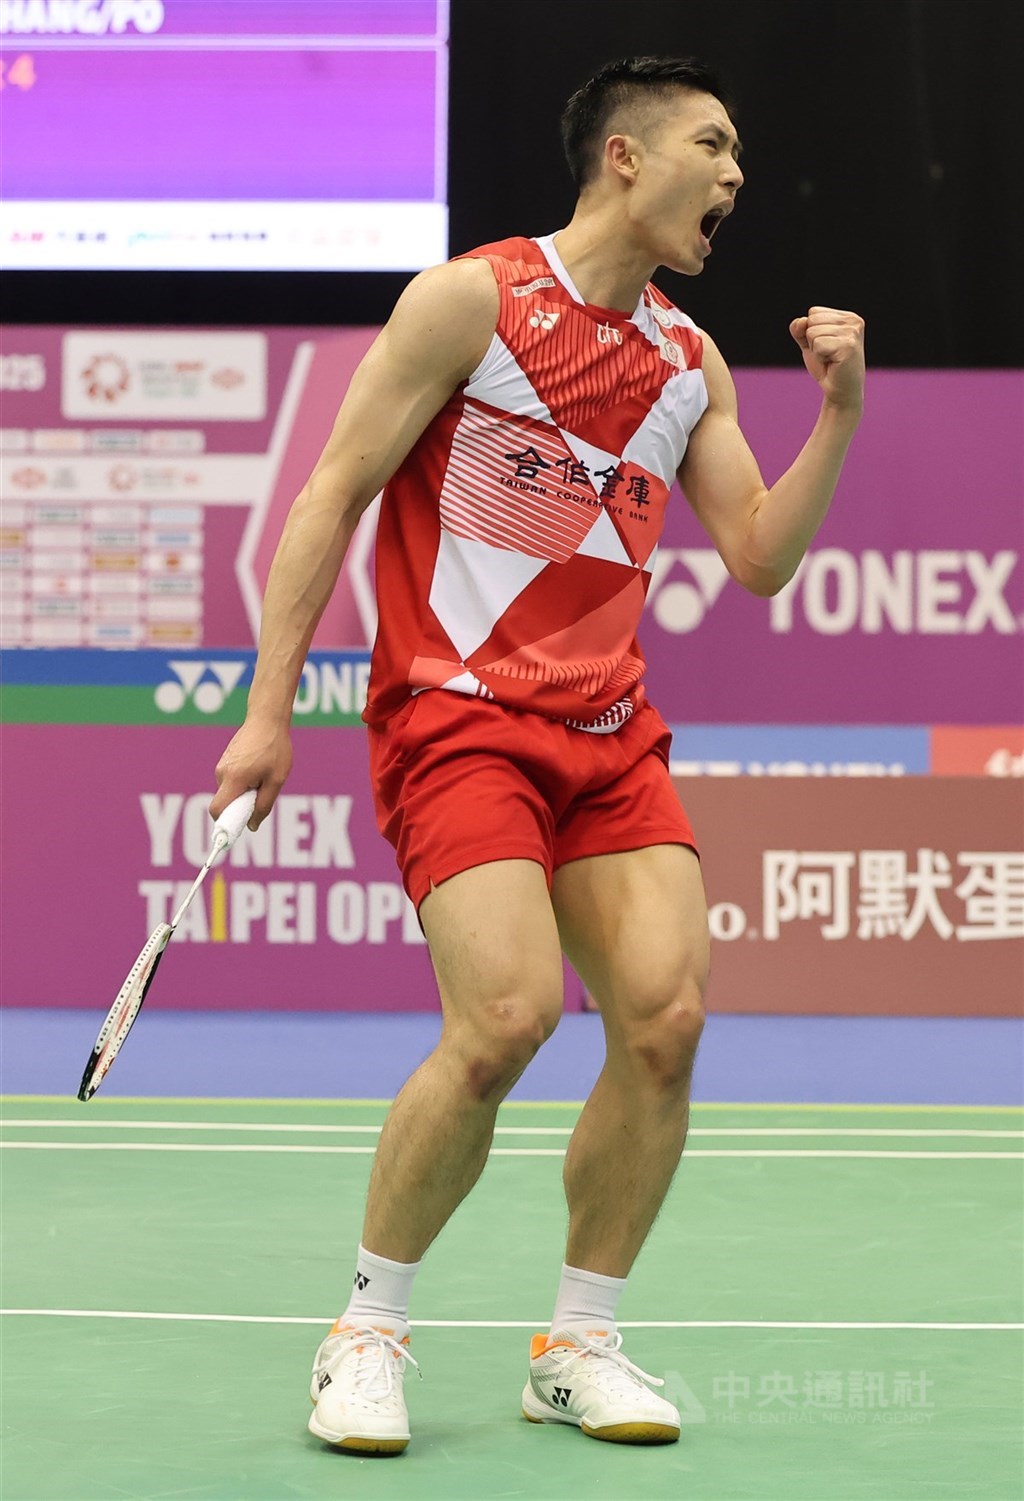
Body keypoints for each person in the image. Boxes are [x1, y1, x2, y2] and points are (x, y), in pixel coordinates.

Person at [211, 54, 865, 1455]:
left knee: (665, 1020)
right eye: (713, 143)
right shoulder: (475, 301)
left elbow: (759, 556)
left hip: (608, 735)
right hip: (457, 718)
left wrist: (840, 415)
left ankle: (577, 1341)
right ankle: (367, 1329)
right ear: (626, 158)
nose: (737, 172)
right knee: (507, 1016)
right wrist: (269, 709)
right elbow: (332, 493)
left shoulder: (688, 363)